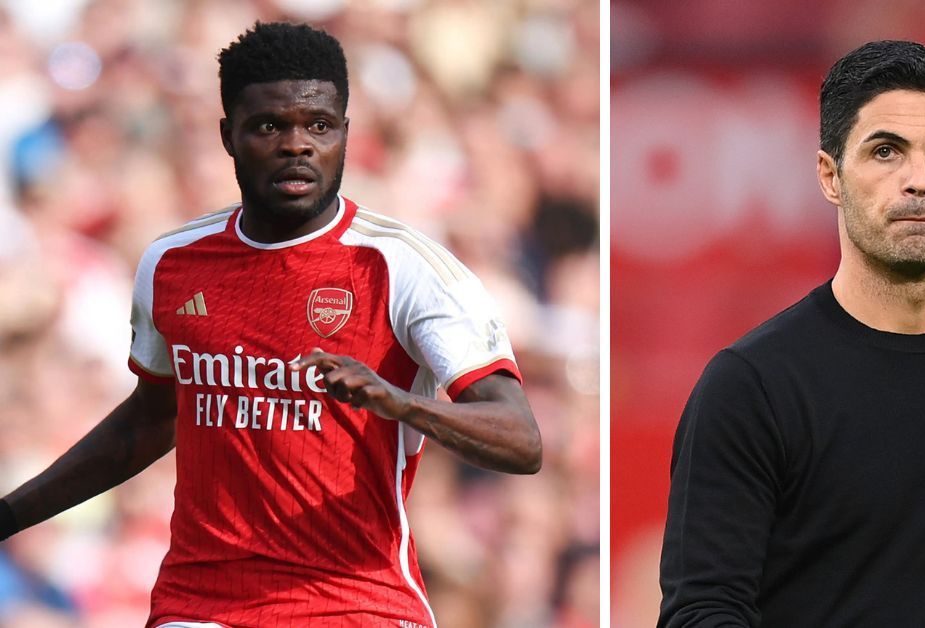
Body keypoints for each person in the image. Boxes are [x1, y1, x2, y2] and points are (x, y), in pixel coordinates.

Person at [0, 21, 541, 628]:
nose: (296, 145)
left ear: (345, 133)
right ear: (227, 135)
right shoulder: (172, 264)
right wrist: (11, 515)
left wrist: (398, 402)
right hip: (201, 603)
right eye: (268, 126)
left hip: (354, 600)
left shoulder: (404, 267)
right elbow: (152, 418)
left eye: (318, 125)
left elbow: (520, 438)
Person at [658, 40, 925, 627]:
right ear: (830, 176)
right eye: (886, 152)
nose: (919, 180)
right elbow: (702, 612)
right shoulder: (752, 387)